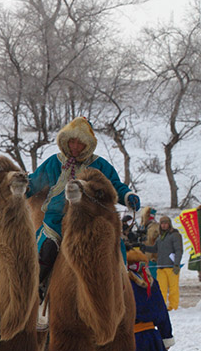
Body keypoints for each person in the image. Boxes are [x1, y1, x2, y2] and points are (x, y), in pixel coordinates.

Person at [27, 117, 139, 321]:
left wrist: (128, 197)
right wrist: (17, 189)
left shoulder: (100, 165)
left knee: (113, 249)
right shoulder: (54, 162)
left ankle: (119, 290)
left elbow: (116, 186)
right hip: (56, 221)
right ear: (65, 142)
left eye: (80, 143)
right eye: (72, 142)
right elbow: (34, 183)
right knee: (43, 251)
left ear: (88, 145)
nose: (76, 147)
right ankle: (35, 295)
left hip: (89, 222)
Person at [145, 216, 183, 311]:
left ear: (169, 224)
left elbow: (179, 250)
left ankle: (173, 306)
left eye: (166, 223)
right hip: (161, 267)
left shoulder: (175, 235)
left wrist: (177, 264)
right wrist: (143, 247)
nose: (164, 225)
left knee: (173, 289)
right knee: (161, 288)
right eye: (162, 223)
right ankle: (162, 306)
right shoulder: (160, 237)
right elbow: (155, 249)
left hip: (171, 267)